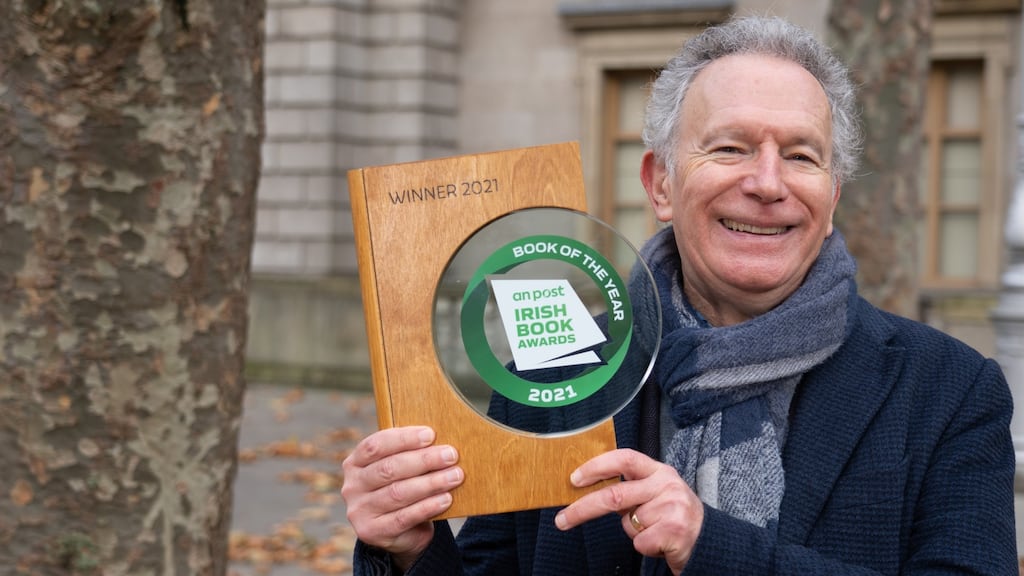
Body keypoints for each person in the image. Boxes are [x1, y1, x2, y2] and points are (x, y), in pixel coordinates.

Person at [341, 15, 1017, 576]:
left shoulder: (949, 392)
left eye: (803, 156)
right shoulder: (553, 378)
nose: (768, 182)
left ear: (832, 198)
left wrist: (710, 546)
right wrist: (408, 550)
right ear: (660, 184)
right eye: (730, 147)